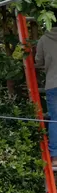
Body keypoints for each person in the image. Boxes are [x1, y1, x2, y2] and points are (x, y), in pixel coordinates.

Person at [35, 25, 57, 168]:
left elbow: (38, 61)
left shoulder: (44, 38)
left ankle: (55, 157)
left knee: (55, 119)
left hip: (53, 83)